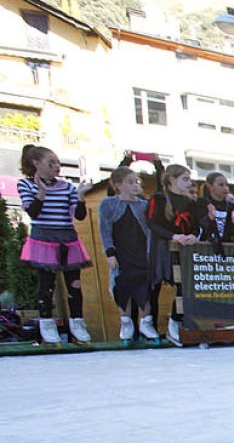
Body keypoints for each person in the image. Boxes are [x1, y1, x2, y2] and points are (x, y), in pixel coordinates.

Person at [17, 145, 95, 344]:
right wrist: (41, 192)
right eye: (51, 163)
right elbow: (33, 212)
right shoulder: (26, 185)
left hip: (68, 238)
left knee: (74, 285)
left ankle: (78, 323)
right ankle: (47, 324)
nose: (57, 167)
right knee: (47, 285)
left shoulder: (67, 186)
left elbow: (79, 215)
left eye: (58, 163)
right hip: (43, 239)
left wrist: (80, 196)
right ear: (36, 164)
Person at [99, 166, 159, 343]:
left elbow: (150, 229)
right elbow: (105, 229)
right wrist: (110, 252)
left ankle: (146, 324)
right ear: (118, 185)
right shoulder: (108, 204)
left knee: (145, 290)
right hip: (122, 253)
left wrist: (150, 254)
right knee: (123, 288)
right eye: (130, 182)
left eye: (136, 182)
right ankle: (126, 324)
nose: (134, 185)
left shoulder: (144, 205)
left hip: (141, 253)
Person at [147, 163, 200, 345]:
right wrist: (173, 235)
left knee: (183, 286)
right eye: (184, 179)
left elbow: (196, 225)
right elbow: (152, 223)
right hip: (162, 248)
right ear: (172, 180)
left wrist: (193, 235)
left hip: (182, 249)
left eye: (189, 179)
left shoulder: (189, 202)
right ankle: (148, 325)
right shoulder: (160, 198)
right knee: (155, 286)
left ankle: (175, 322)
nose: (189, 183)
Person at [195, 171, 234, 247]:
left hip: (225, 246)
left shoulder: (232, 206)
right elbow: (198, 225)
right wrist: (209, 217)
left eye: (227, 185)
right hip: (205, 245)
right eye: (221, 185)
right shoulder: (202, 202)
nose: (225, 188)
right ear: (210, 186)